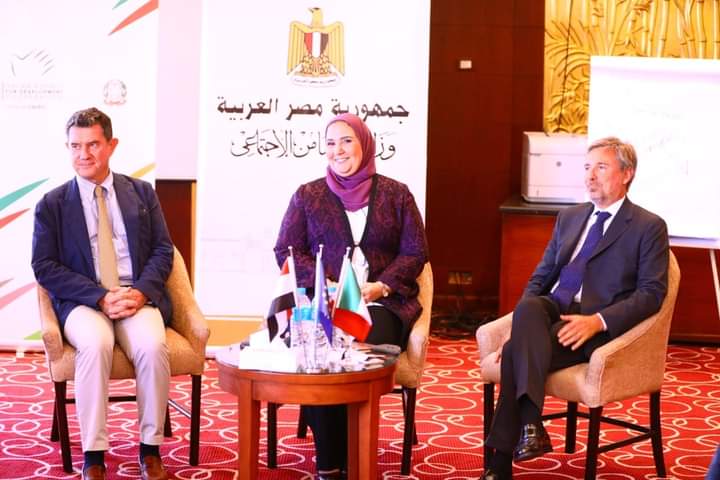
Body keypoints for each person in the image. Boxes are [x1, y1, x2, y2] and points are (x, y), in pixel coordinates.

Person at [480, 137, 669, 480]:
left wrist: (598, 321)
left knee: (514, 355)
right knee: (530, 307)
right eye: (586, 167)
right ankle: (531, 425)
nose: (590, 176)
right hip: (553, 310)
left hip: (593, 325)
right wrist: (516, 326)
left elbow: (652, 294)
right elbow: (540, 278)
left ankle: (501, 464)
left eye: (601, 167)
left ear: (627, 174)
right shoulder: (570, 217)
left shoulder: (648, 226)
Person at [274, 112, 429, 479]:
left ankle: (350, 457)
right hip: (324, 304)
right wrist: (324, 285)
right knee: (321, 350)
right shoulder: (308, 195)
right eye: (330, 143)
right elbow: (287, 251)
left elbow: (415, 252)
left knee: (353, 349)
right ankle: (330, 465)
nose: (338, 150)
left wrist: (382, 285)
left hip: (382, 304)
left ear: (365, 145)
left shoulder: (397, 194)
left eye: (347, 141)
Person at [31, 107, 174, 480]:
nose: (84, 154)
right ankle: (93, 456)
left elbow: (163, 250)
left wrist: (140, 293)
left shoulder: (141, 193)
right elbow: (44, 266)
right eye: (75, 146)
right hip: (84, 301)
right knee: (94, 345)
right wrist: (98, 297)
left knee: (152, 346)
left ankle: (150, 450)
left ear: (111, 145)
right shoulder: (52, 204)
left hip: (134, 295)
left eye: (93, 144)